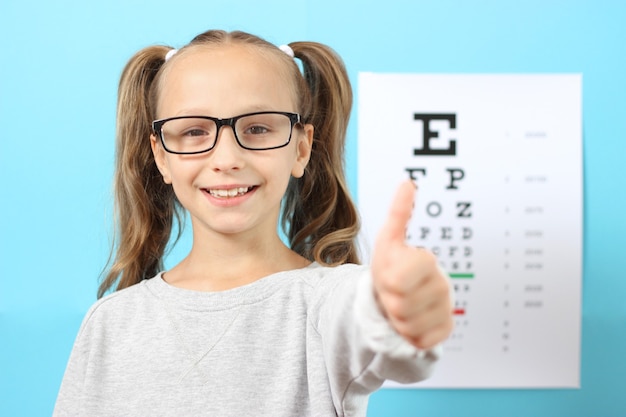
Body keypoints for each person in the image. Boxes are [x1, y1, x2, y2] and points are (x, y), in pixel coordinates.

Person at [53, 29, 453, 417]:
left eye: (258, 128)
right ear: (161, 156)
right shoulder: (109, 322)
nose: (227, 158)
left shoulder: (329, 301)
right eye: (194, 130)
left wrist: (401, 308)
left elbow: (387, 338)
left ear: (301, 148)